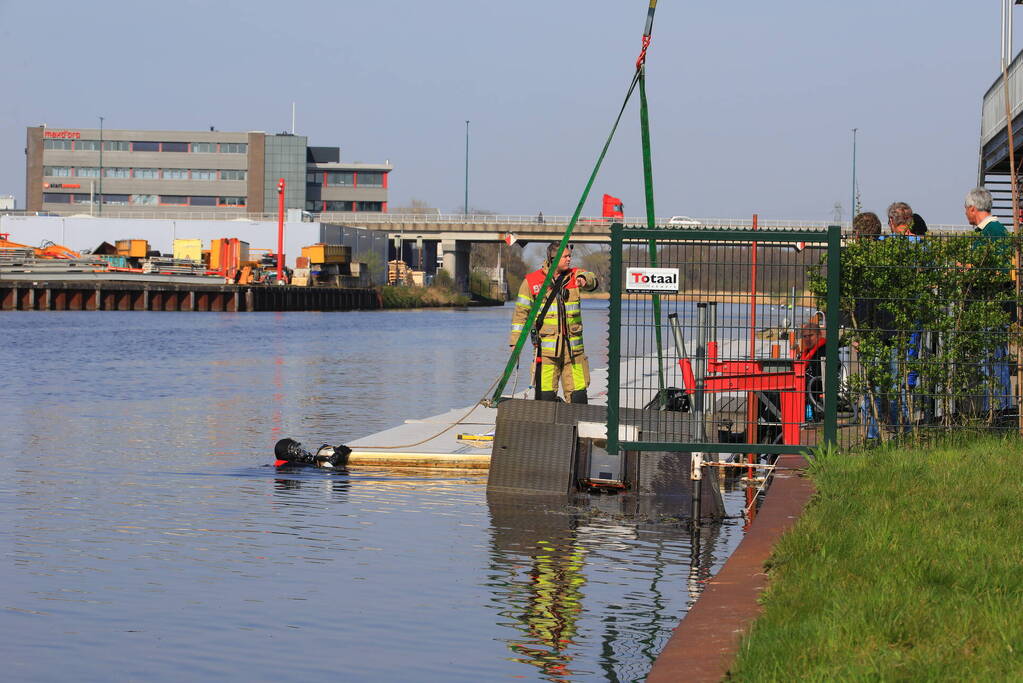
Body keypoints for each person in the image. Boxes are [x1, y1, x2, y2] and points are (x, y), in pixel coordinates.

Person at [510, 243, 598, 403]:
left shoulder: (575, 275)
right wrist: (515, 343)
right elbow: (520, 314)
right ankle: (554, 418)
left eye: (570, 256)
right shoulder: (532, 281)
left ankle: (574, 426)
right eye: (565, 256)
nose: (569, 259)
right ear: (553, 259)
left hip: (574, 353)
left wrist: (584, 279)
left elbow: (592, 279)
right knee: (546, 398)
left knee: (578, 397)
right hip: (547, 354)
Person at [964, 187, 1013, 414]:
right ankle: (995, 409)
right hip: (988, 305)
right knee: (992, 359)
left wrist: (969, 271)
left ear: (973, 208)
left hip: (991, 306)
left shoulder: (993, 232)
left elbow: (1001, 271)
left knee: (994, 360)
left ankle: (999, 410)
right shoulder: (990, 231)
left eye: (966, 209)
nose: (965, 213)